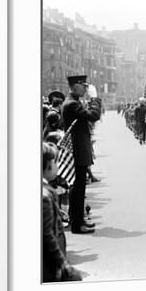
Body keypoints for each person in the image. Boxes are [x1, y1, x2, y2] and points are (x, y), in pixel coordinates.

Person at [60, 75, 102, 234]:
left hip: (80, 150)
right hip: (77, 151)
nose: (85, 88)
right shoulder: (71, 104)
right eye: (83, 85)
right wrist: (95, 98)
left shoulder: (74, 102)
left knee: (79, 189)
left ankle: (79, 219)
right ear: (75, 85)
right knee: (77, 190)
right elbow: (94, 115)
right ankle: (77, 225)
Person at [42, 142, 82, 282]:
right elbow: (48, 237)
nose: (57, 166)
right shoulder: (45, 197)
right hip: (49, 265)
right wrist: (64, 265)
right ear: (46, 166)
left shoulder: (46, 190)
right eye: (54, 163)